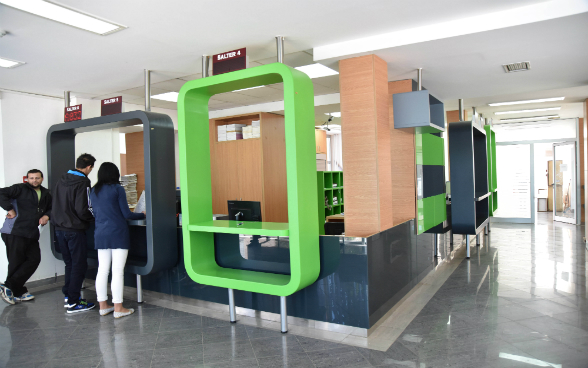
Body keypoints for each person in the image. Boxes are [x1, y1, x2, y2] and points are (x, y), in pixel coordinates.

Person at [90, 162, 145, 318]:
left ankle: (103, 306)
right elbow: (127, 214)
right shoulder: (117, 189)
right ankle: (118, 308)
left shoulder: (94, 191)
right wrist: (143, 214)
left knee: (102, 270)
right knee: (117, 271)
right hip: (117, 233)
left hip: (100, 233)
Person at [52, 153, 96, 313]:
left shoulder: (61, 179)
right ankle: (73, 302)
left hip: (59, 229)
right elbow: (83, 208)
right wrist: (94, 217)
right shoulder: (83, 181)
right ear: (89, 167)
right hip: (75, 230)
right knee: (79, 264)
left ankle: (69, 296)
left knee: (70, 263)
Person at [0, 169, 52, 305]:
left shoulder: (46, 193)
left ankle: (11, 288)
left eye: (37, 178)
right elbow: (1, 193)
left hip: (31, 232)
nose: (34, 180)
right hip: (14, 231)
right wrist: (9, 208)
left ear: (42, 178)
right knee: (16, 263)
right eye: (31, 178)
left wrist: (47, 216)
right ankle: (15, 290)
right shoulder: (19, 188)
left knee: (34, 260)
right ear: (27, 179)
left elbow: (51, 208)